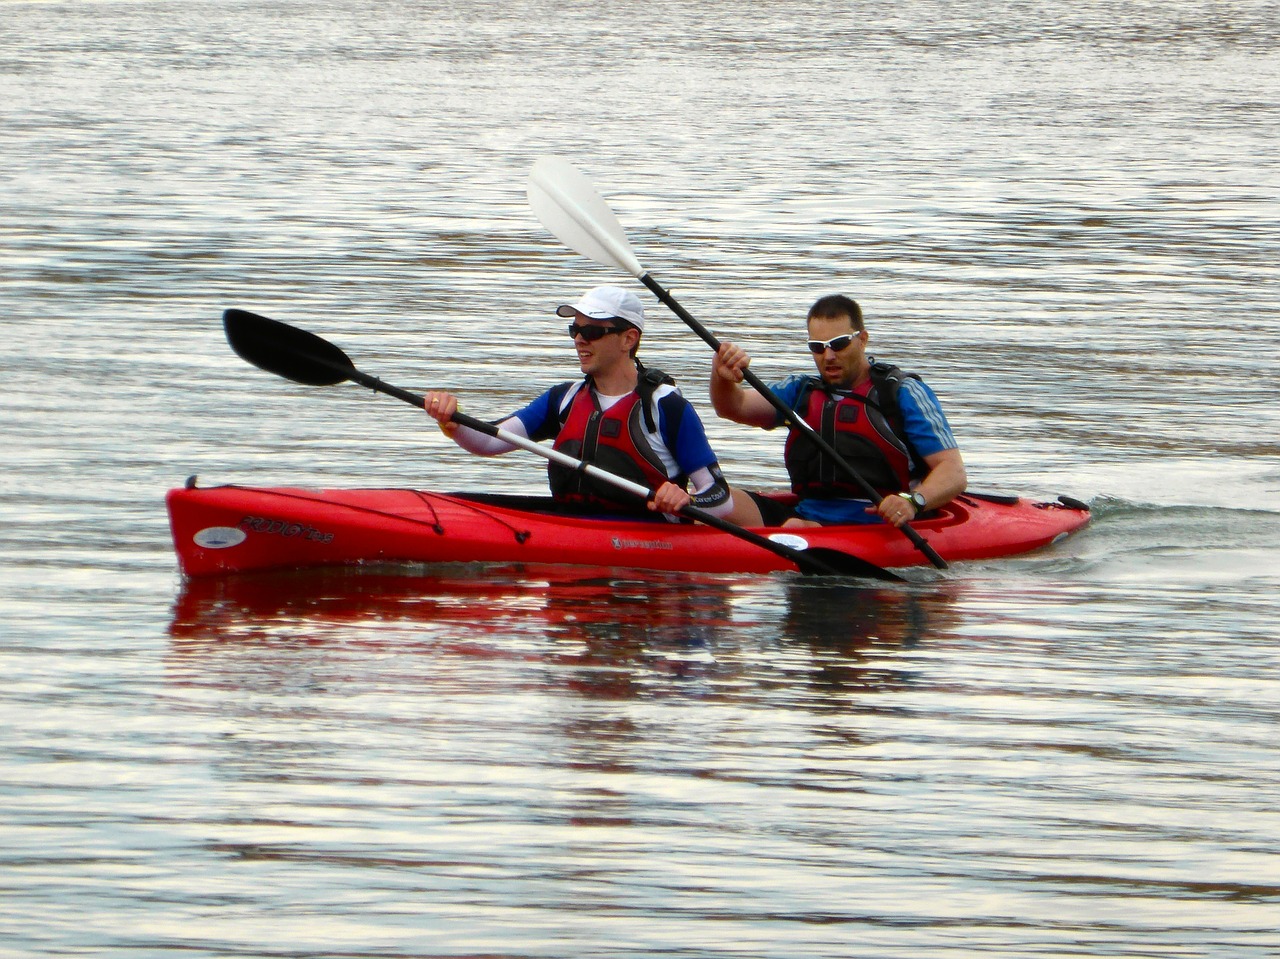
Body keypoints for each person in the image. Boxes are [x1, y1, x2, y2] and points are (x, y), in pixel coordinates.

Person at [425, 285, 763, 525]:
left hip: (647, 542)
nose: (579, 339)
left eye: (593, 331)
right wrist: (452, 421)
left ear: (628, 339)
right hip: (572, 525)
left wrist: (687, 501)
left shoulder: (665, 407)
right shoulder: (564, 399)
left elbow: (719, 495)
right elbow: (488, 441)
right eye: (575, 328)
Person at [710, 293, 966, 528]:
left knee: (794, 528)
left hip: (883, 523)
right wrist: (722, 376)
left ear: (862, 340)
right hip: (807, 516)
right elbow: (733, 406)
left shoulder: (901, 393)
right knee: (715, 501)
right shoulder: (799, 391)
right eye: (818, 347)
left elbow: (953, 471)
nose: (828, 356)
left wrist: (913, 502)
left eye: (839, 343)